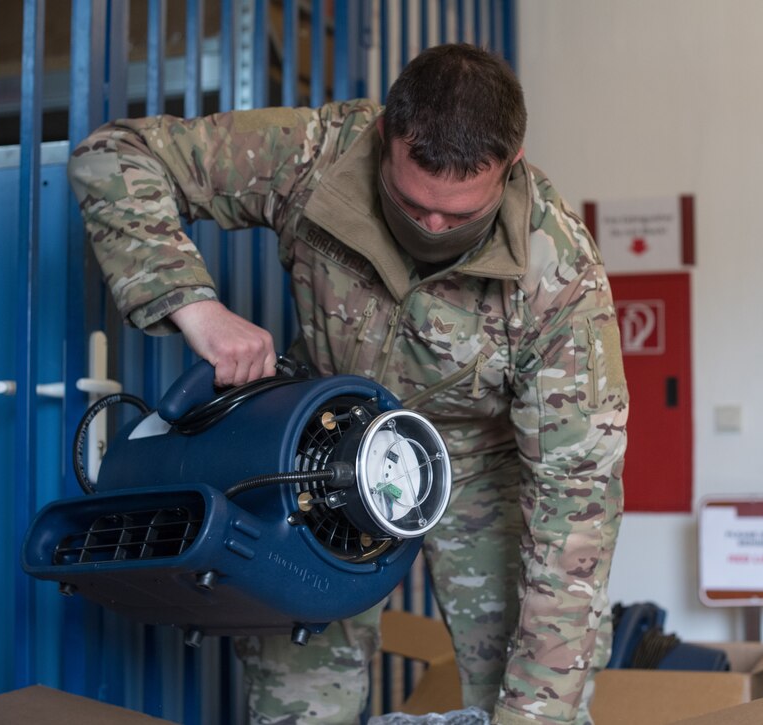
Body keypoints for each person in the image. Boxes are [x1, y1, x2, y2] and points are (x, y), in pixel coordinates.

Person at [69, 43, 628, 725]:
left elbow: (576, 513)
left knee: (531, 691)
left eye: (458, 217)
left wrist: (534, 713)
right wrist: (195, 307)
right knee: (299, 699)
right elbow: (113, 155)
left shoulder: (561, 279)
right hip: (319, 454)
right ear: (387, 136)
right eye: (412, 202)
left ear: (510, 165)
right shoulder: (317, 154)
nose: (430, 227)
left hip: (483, 468)